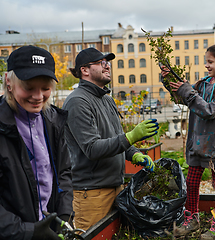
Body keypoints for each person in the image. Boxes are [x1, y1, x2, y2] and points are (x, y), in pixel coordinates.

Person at [63, 47, 159, 231]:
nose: (107, 67)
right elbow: (92, 149)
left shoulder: (106, 99)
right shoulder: (77, 102)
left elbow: (116, 138)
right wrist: (131, 136)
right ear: (84, 70)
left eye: (108, 63)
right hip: (91, 194)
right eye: (101, 63)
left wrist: (135, 154)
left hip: (116, 186)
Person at [161, 43, 215, 240]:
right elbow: (182, 98)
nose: (207, 66)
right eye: (206, 62)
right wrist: (169, 79)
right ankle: (191, 219)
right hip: (197, 141)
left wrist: (189, 91)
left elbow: (210, 110)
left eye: (210, 62)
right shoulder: (203, 83)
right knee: (192, 182)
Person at [0, 45, 73, 240]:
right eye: (29, 87)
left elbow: (63, 171)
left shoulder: (53, 122)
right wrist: (28, 233)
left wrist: (64, 213)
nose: (38, 97)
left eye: (46, 88)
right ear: (9, 82)